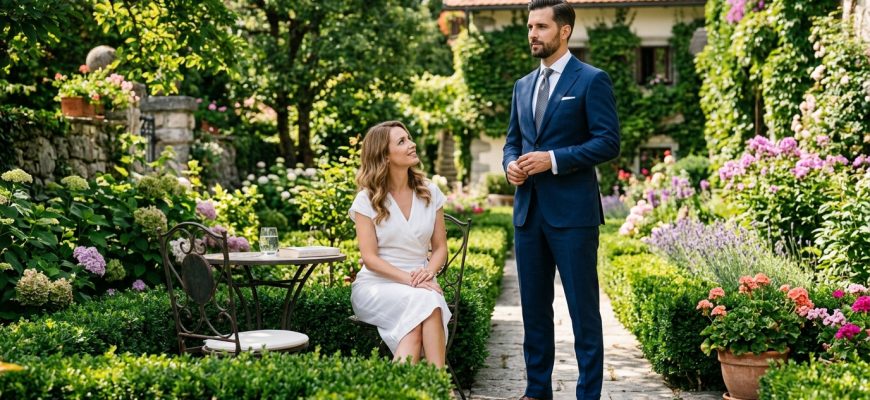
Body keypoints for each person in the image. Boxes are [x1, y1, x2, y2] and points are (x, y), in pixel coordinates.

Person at [502, 1, 621, 399]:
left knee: (583, 314)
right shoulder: (522, 86)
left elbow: (608, 142)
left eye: (541, 26)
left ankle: (588, 394)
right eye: (529, 27)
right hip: (528, 215)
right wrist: (510, 166)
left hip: (573, 217)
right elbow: (512, 142)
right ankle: (537, 391)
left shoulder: (591, 80)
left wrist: (552, 159)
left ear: (564, 30)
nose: (532, 34)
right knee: (534, 312)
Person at [349, 120, 451, 367]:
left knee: (417, 320)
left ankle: (409, 384)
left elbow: (440, 248)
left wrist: (427, 273)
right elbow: (370, 258)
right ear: (384, 156)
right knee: (427, 302)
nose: (412, 144)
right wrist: (411, 281)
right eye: (402, 141)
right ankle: (438, 381)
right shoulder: (366, 200)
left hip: (421, 281)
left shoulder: (430, 192)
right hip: (377, 286)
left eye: (409, 138)